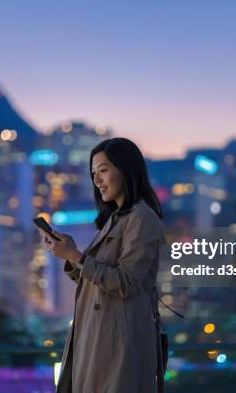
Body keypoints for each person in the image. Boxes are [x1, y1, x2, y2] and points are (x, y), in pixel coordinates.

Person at [38, 137, 166, 393]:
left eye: (103, 170)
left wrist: (76, 256)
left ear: (126, 170)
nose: (96, 180)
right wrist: (70, 256)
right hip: (96, 337)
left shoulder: (142, 218)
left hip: (118, 344)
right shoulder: (116, 219)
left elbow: (127, 282)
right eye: (93, 173)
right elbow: (99, 282)